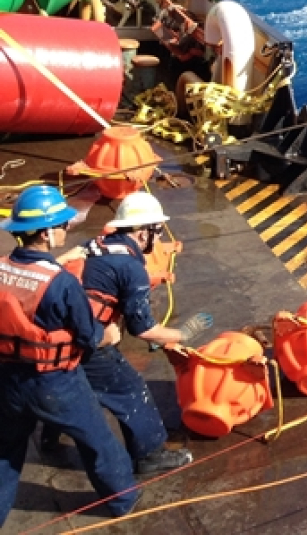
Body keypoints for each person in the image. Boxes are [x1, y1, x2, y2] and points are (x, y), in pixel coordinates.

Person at [0, 184, 138, 523]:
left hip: (8, 378)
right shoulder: (62, 283)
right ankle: (123, 499)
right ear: (47, 233)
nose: (67, 229)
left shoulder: (2, 267)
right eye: (62, 225)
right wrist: (109, 334)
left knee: (5, 450)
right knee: (98, 439)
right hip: (54, 382)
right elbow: (88, 336)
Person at [66, 191, 212, 475]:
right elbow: (143, 328)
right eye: (156, 231)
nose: (157, 239)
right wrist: (181, 334)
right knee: (131, 391)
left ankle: (49, 435)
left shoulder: (98, 244)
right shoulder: (132, 268)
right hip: (89, 342)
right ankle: (150, 455)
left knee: (69, 384)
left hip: (63, 332)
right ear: (143, 232)